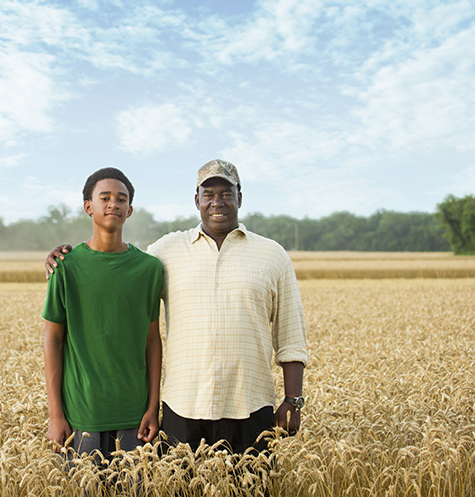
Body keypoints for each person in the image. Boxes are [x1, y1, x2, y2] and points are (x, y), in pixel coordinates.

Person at [45, 159, 308, 456]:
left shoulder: (272, 255)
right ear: (197, 200)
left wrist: (293, 400)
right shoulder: (167, 250)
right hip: (183, 409)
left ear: (240, 197)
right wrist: (64, 255)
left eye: (226, 193)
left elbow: (291, 335)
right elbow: (118, 265)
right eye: (208, 194)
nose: (217, 202)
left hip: (250, 405)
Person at [42, 167, 164, 466]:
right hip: (81, 414)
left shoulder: (149, 269)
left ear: (130, 210)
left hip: (135, 416)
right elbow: (53, 341)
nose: (114, 204)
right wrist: (56, 415)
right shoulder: (66, 267)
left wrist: (153, 408)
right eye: (105, 198)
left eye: (121, 199)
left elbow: (152, 340)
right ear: (89, 206)